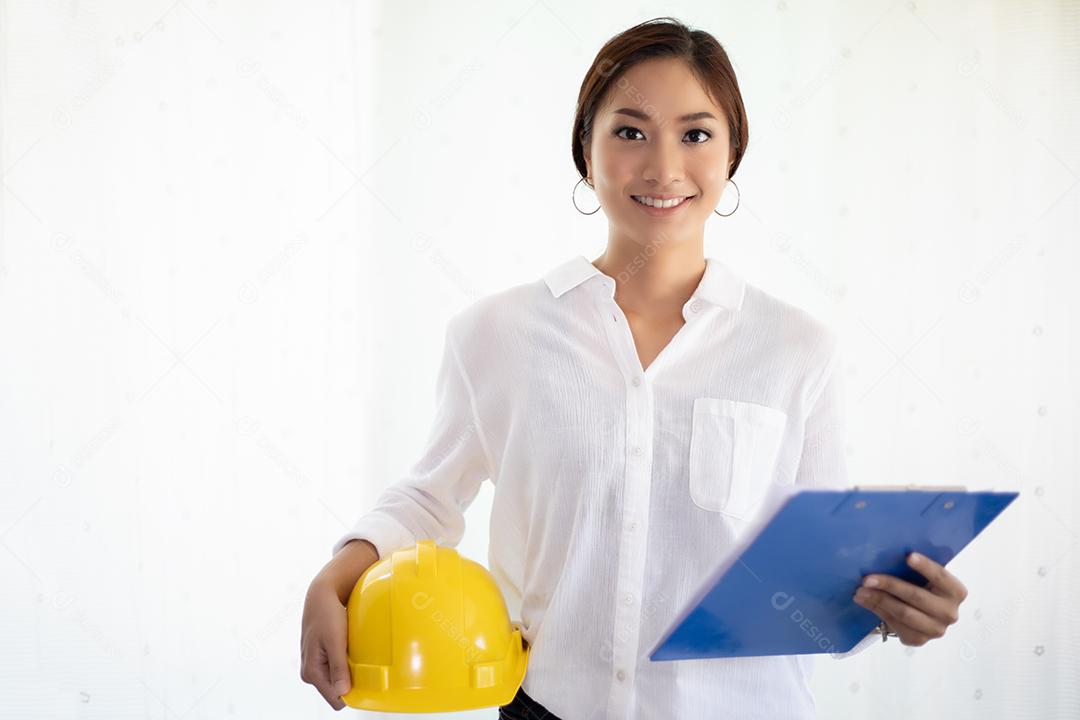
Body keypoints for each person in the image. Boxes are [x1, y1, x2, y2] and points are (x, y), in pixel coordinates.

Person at [301, 16, 969, 719]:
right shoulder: (495, 335)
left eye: (696, 133)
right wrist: (333, 579)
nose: (663, 167)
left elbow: (823, 568)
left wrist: (896, 611)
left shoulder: (798, 350)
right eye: (628, 131)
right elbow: (430, 498)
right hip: (549, 707)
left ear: (732, 151)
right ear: (584, 150)